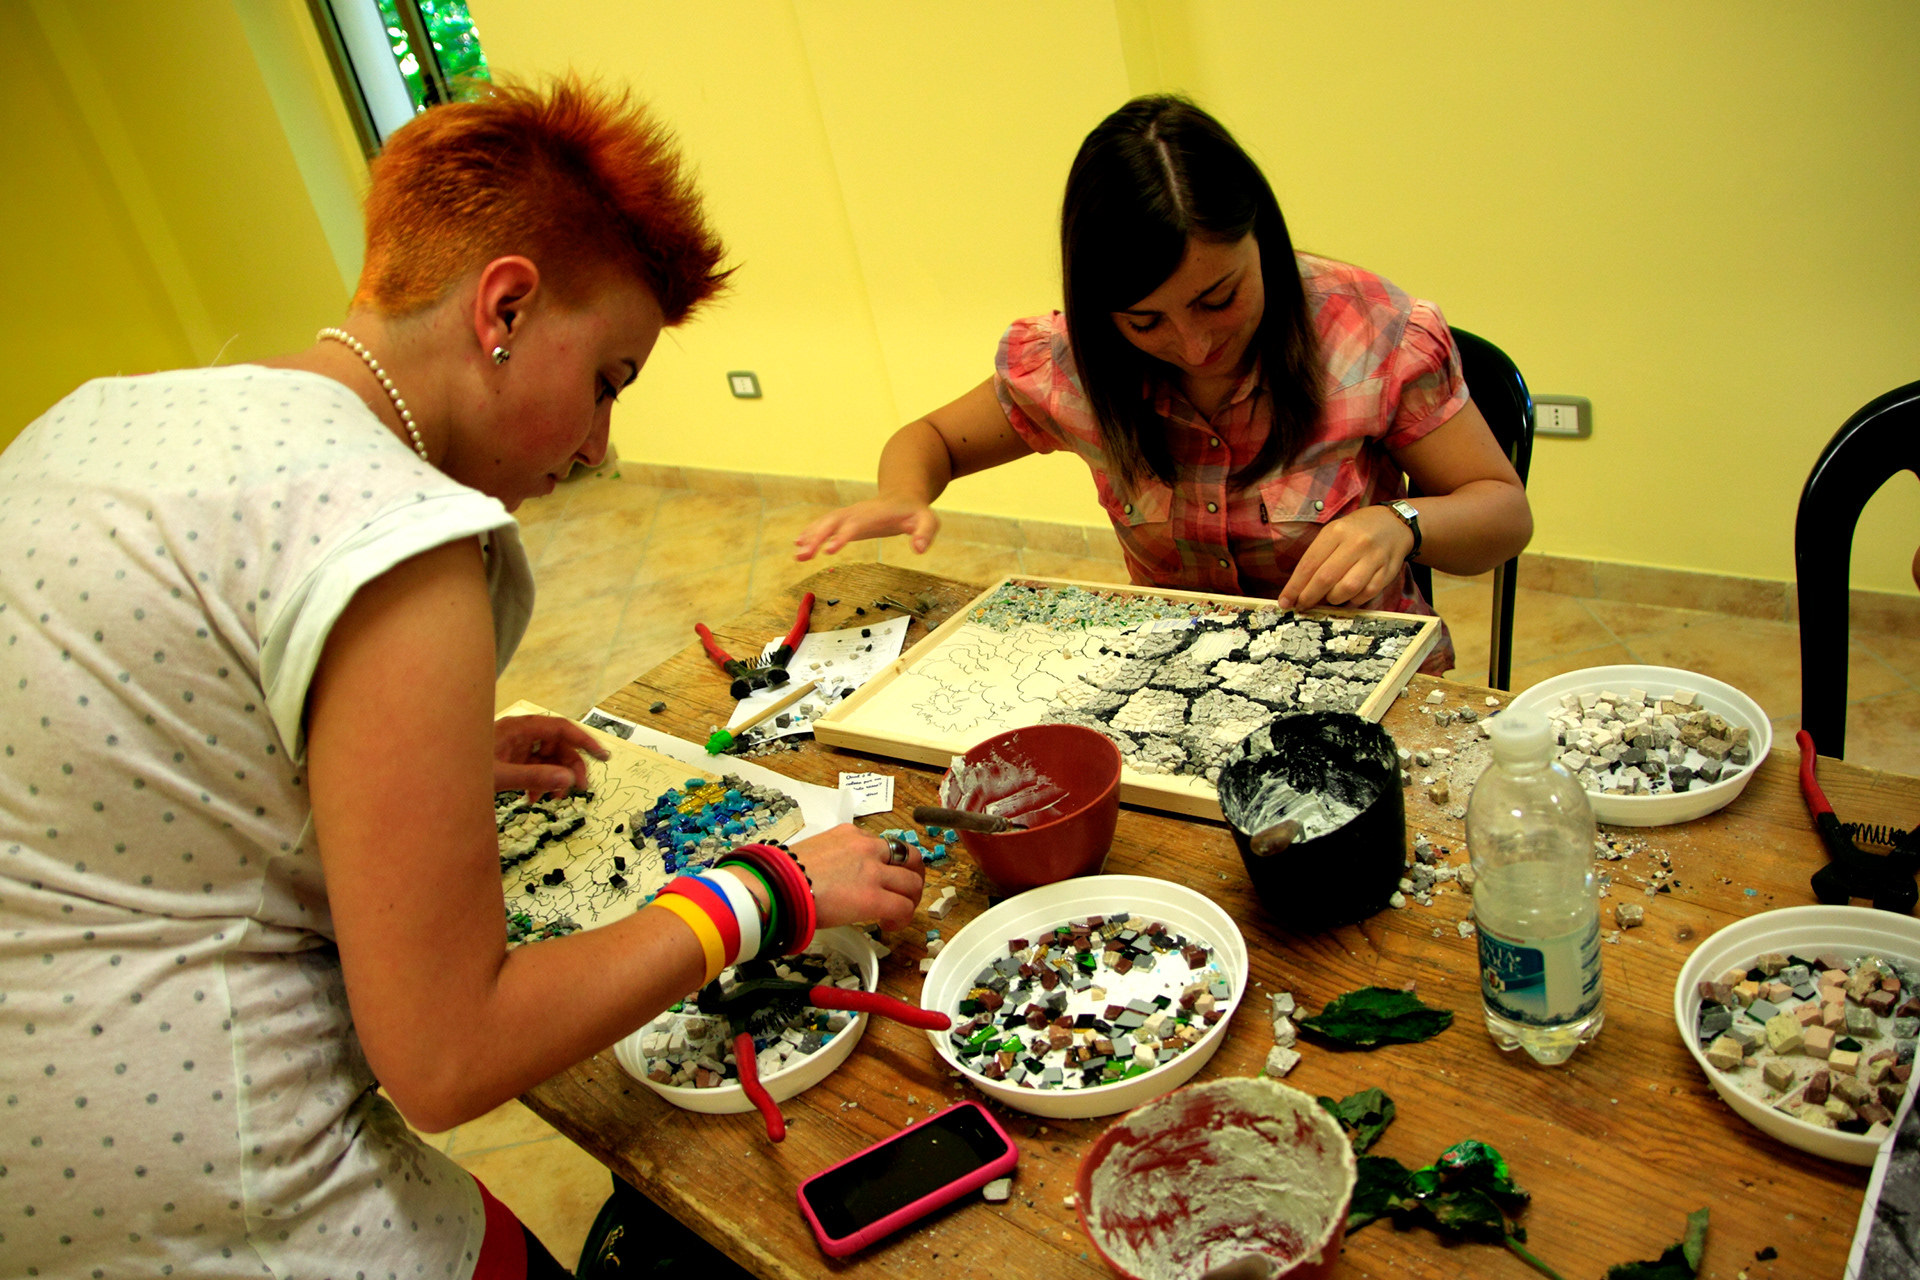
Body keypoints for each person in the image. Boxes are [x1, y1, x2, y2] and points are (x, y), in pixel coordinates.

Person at [0, 79, 923, 1279]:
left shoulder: (101, 418)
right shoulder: (398, 538)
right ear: (506, 306)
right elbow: (448, 1057)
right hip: (212, 1196)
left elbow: (150, 757)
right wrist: (770, 887)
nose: (599, 446)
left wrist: (407, 764)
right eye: (609, 379)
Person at [795, 96, 1532, 673]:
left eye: (1219, 299)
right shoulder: (1073, 360)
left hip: (1363, 676)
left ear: (1262, 240)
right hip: (1180, 682)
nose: (1195, 345)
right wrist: (902, 492)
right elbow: (932, 439)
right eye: (1146, 321)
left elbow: (1502, 514)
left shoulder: (1371, 332)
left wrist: (1400, 523)